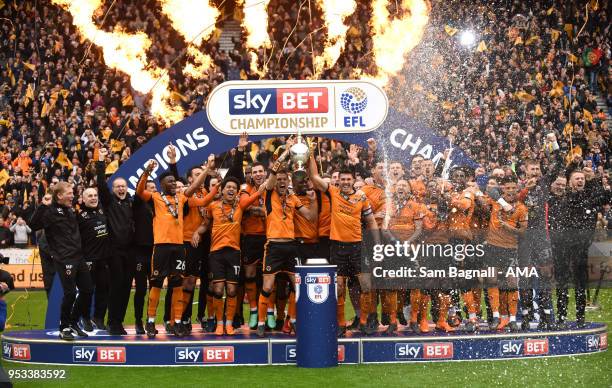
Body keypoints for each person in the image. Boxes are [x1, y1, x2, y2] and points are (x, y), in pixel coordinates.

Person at [136, 156, 217, 338]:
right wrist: (147, 172)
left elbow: (195, 187)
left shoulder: (182, 198)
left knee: (178, 284)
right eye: (170, 181)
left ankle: (178, 322)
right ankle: (150, 322)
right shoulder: (155, 197)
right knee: (156, 284)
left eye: (175, 181)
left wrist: (206, 170)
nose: (174, 183)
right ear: (162, 184)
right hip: (161, 247)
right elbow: (140, 190)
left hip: (179, 247)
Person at [309, 152, 380, 337]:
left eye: (349, 179)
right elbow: (315, 177)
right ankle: (341, 324)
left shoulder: (362, 197)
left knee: (365, 286)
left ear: (353, 179)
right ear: (338, 181)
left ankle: (364, 322)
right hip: (338, 246)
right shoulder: (333, 192)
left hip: (358, 246)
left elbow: (371, 221)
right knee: (339, 288)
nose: (346, 182)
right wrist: (310, 155)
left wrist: (378, 244)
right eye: (343, 179)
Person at [256, 144, 317, 337]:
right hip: (273, 245)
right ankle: (260, 322)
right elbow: (273, 172)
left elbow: (309, 216)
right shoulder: (268, 194)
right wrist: (285, 152)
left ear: (289, 181)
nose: (281, 182)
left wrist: (314, 199)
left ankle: (293, 320)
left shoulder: (292, 199)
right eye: (279, 179)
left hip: (291, 246)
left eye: (285, 179)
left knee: (297, 285)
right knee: (267, 286)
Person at [29, 182, 94, 340]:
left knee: (87, 290)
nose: (73, 195)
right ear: (59, 195)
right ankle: (64, 327)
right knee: (70, 293)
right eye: (70, 193)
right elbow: (33, 225)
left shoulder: (70, 210)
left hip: (79, 257)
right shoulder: (49, 211)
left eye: (73, 192)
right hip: (64, 259)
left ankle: (73, 322)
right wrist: (42, 206)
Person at [206, 176, 262, 335]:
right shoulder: (213, 206)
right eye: (228, 187)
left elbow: (256, 201)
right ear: (222, 190)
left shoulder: (241, 206)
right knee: (217, 290)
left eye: (234, 188)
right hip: (216, 252)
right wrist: (197, 232)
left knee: (231, 290)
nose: (231, 189)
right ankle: (219, 323)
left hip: (234, 252)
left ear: (237, 192)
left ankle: (229, 324)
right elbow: (205, 222)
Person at [557, 167, 611, 328]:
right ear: (570, 182)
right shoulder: (565, 196)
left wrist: (594, 178)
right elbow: (573, 203)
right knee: (563, 283)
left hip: (582, 246)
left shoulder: (590, 196)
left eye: (582, 178)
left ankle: (580, 317)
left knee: (581, 283)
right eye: (577, 178)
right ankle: (561, 317)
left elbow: (606, 196)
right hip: (565, 245)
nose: (580, 180)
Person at [96, 147, 135, 335]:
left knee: (127, 287)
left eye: (123, 186)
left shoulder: (132, 202)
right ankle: (112, 322)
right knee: (116, 285)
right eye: (118, 186)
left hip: (130, 252)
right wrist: (100, 162)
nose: (121, 188)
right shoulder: (109, 201)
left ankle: (118, 321)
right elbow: (100, 186)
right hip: (114, 251)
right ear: (113, 189)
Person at [482, 176, 528, 332]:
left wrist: (507, 227)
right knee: (492, 280)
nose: (510, 190)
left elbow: (523, 232)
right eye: (507, 188)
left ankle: (513, 319)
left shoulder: (521, 208)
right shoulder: (496, 202)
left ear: (517, 189)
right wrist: (503, 203)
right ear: (503, 189)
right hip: (492, 247)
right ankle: (496, 316)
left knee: (512, 282)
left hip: (510, 249)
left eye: (513, 188)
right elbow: (489, 189)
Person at [74, 187, 112, 332]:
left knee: (104, 289)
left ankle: (99, 317)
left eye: (95, 195)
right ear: (83, 199)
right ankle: (85, 317)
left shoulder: (102, 210)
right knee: (87, 291)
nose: (93, 198)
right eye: (90, 196)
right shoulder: (79, 216)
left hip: (104, 259)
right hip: (88, 260)